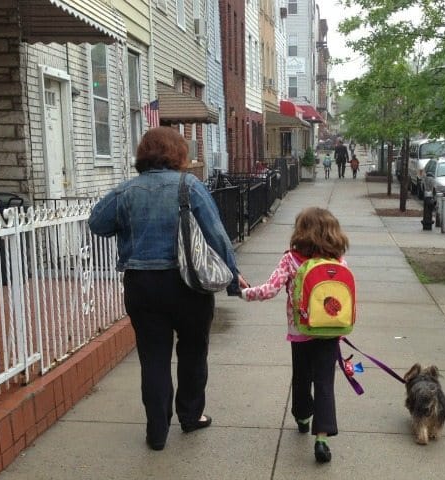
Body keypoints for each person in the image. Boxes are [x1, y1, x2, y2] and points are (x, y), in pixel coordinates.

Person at [88, 127, 248, 452]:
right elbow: (216, 233)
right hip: (188, 283)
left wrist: (129, 227)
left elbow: (97, 223)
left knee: (153, 357)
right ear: (177, 154)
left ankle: (157, 431)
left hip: (142, 285)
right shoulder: (189, 186)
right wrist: (232, 277)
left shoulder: (127, 191)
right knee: (193, 351)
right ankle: (191, 416)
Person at [239, 207, 350, 463]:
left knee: (301, 378)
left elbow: (270, 289)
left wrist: (245, 293)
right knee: (324, 383)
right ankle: (321, 438)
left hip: (300, 331)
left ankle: (302, 416)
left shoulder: (291, 259)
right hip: (330, 331)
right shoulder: (339, 260)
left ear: (301, 231)